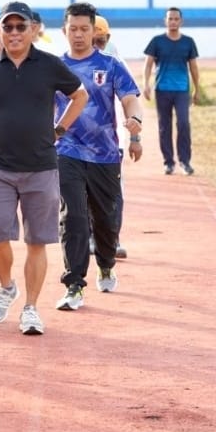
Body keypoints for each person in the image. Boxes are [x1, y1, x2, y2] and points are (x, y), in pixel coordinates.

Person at [0, 1, 87, 336]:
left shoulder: (49, 65)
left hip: (41, 167)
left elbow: (80, 95)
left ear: (34, 29)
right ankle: (6, 287)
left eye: (21, 27)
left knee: (37, 242)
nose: (14, 33)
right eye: (8, 27)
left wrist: (59, 129)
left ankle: (31, 308)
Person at [54, 2, 143, 313]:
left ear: (94, 31)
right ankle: (74, 285)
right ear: (64, 31)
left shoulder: (111, 65)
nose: (78, 35)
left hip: (105, 154)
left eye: (84, 29)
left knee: (105, 220)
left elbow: (131, 99)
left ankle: (105, 263)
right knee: (73, 217)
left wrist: (136, 125)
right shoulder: (54, 67)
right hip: (66, 151)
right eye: (73, 29)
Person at [143, 7, 201, 176]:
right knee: (164, 127)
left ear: (181, 21)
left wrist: (196, 89)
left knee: (183, 124)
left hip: (182, 90)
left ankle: (185, 161)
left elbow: (194, 67)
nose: (173, 22)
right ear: (165, 21)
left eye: (176, 19)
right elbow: (148, 64)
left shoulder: (188, 42)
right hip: (162, 90)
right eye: (170, 19)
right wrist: (145, 84)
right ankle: (168, 162)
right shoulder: (157, 41)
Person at [93, 14, 128, 260]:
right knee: (79, 194)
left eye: (101, 41)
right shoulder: (67, 61)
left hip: (111, 141)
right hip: (75, 142)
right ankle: (86, 238)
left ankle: (112, 239)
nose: (97, 46)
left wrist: (134, 136)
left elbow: (129, 99)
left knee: (113, 192)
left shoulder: (114, 60)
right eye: (92, 40)